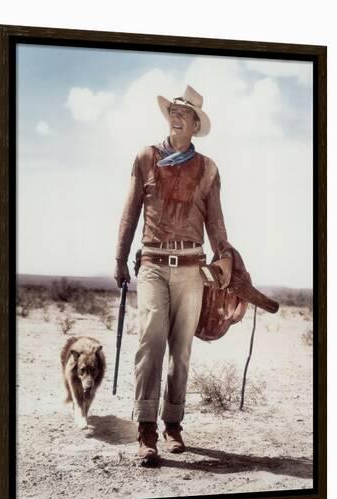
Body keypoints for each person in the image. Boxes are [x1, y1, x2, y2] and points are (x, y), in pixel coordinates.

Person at [114, 85, 233, 464]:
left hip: (192, 269)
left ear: (196, 125)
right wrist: (119, 258)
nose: (177, 115)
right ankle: (146, 429)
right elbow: (131, 210)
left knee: (180, 351)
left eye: (186, 113)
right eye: (174, 110)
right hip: (151, 264)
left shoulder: (208, 168)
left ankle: (173, 425)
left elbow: (215, 221)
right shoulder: (145, 158)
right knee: (151, 344)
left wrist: (225, 257)